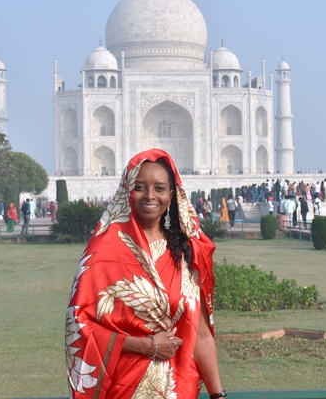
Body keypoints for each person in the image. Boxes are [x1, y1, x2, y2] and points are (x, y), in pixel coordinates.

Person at [65, 149, 224, 398]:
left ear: (172, 196)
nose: (150, 196)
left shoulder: (185, 251)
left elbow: (201, 335)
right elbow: (79, 324)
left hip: (179, 387)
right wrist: (146, 345)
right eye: (140, 187)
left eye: (159, 188)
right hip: (123, 387)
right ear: (128, 191)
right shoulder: (104, 250)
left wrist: (218, 395)